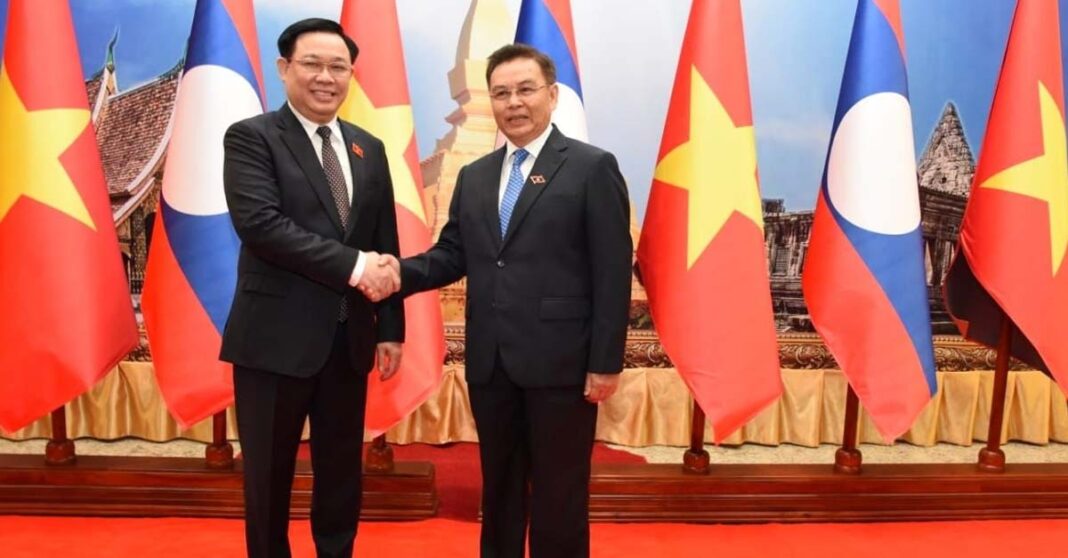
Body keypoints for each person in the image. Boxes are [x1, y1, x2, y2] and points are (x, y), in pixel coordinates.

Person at [395, 43, 633, 558]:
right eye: (501, 93)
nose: (514, 103)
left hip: (564, 365)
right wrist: (396, 273)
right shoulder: (475, 176)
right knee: (499, 490)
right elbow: (453, 254)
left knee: (559, 494)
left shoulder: (592, 168)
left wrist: (605, 361)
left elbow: (612, 271)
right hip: (492, 361)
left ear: (551, 95)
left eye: (526, 90)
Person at [220, 18, 403, 558]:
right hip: (273, 342)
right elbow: (263, 226)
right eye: (312, 64)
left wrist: (390, 327)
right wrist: (354, 267)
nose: (326, 77)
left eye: (338, 67)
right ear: (285, 69)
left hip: (348, 344)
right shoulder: (252, 138)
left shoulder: (368, 147)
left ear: (351, 75)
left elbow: (383, 240)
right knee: (269, 477)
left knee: (342, 473)